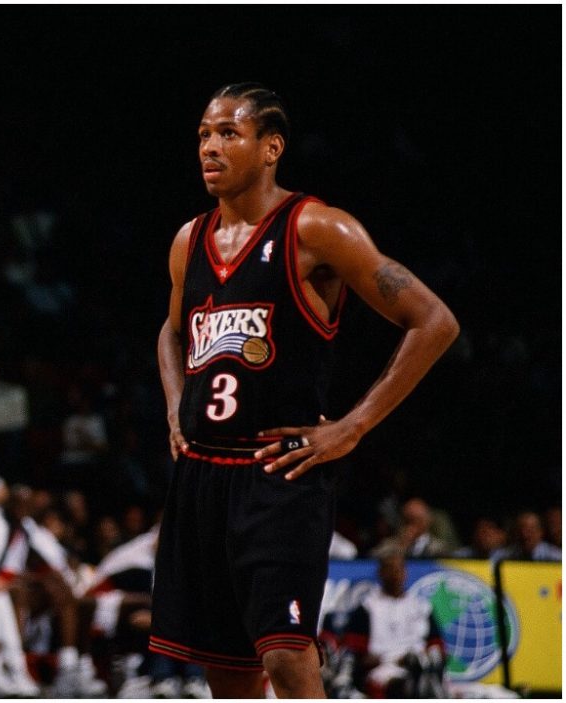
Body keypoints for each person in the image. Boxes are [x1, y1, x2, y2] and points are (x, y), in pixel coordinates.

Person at [149, 83, 459, 698]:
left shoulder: (316, 227)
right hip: (203, 476)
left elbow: (434, 321)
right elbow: (171, 330)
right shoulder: (190, 240)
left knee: (288, 659)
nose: (210, 147)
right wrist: (173, 406)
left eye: (228, 134)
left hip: (278, 474)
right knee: (227, 674)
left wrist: (352, 425)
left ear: (272, 148)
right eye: (204, 135)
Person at [341, 549, 447, 698]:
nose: (395, 574)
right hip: (384, 666)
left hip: (418, 663)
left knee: (427, 674)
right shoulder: (367, 607)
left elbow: (437, 646)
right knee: (400, 684)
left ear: (405, 572)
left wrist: (428, 656)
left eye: (399, 568)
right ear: (381, 573)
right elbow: (355, 654)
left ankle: (423, 682)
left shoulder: (421, 606)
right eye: (390, 568)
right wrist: (390, 659)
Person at [492, 511, 562, 561]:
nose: (525, 535)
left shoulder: (557, 558)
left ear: (540, 532)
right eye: (521, 529)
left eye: (530, 530)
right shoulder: (501, 557)